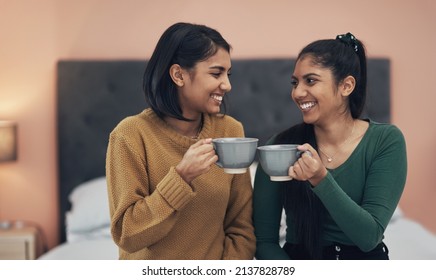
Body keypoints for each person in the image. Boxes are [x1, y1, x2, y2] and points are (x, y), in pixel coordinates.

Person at [106, 22, 255, 260]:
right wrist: (182, 177)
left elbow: (242, 227)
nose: (227, 85)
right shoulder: (130, 135)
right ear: (178, 74)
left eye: (228, 74)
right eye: (216, 73)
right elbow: (127, 234)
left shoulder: (230, 130)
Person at [253, 33, 407, 260]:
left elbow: (369, 236)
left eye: (311, 80)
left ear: (346, 86)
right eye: (295, 83)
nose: (297, 93)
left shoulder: (386, 141)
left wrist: (321, 179)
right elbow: (264, 242)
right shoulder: (279, 147)